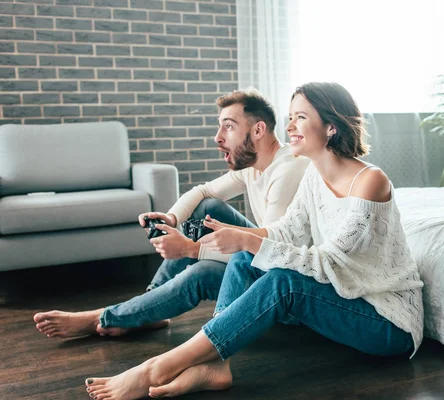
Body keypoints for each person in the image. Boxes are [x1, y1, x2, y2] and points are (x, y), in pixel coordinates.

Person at [83, 82, 424, 399]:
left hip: (387, 323)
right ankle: (215, 364)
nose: (290, 127)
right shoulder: (314, 177)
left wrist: (239, 242)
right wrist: (238, 239)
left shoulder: (370, 181)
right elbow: (284, 231)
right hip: (342, 302)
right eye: (290, 118)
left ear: (331, 127)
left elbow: (329, 263)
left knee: (283, 282)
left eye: (300, 118)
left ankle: (158, 367)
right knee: (245, 260)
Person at [33, 89, 310, 338]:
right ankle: (150, 307)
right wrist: (172, 218)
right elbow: (203, 193)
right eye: (220, 126)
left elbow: (269, 250)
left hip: (287, 283)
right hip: (264, 258)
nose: (218, 137)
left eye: (229, 126)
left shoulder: (287, 171)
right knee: (207, 208)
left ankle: (107, 315)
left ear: (258, 130)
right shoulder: (255, 164)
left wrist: (192, 249)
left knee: (201, 272)